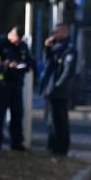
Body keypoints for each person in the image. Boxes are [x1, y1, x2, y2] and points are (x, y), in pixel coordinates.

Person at [38, 20, 77, 156]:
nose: (54, 34)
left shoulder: (69, 49)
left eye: (57, 31)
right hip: (51, 89)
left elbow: (68, 71)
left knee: (60, 121)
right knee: (51, 121)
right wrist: (47, 48)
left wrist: (57, 86)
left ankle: (61, 148)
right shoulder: (55, 47)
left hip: (59, 91)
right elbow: (47, 62)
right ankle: (52, 147)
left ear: (65, 32)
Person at [0, 25, 34, 150]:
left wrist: (21, 65)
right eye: (16, 39)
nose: (17, 42)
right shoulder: (0, 43)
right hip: (2, 84)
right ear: (11, 34)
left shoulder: (22, 46)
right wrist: (6, 65)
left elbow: (29, 62)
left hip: (17, 84)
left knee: (17, 114)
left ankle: (16, 142)